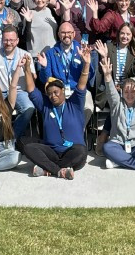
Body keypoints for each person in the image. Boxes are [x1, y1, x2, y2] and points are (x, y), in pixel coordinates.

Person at [23, 42, 93, 179]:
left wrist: (86, 64)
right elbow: (31, 90)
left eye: (55, 92)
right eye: (49, 93)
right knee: (28, 147)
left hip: (71, 151)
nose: (52, 96)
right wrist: (26, 68)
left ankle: (47, 169)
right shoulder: (46, 105)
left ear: (62, 91)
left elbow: (82, 83)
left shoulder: (75, 103)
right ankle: (60, 171)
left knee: (81, 151)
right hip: (51, 151)